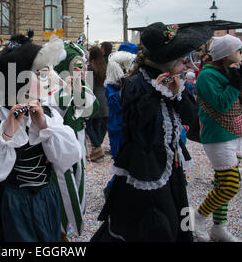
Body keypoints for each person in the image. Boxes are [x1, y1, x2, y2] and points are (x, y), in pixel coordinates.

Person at [92, 22, 212, 242]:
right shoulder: (136, 83)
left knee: (178, 216)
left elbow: (189, 116)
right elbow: (137, 123)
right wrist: (157, 92)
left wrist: (176, 94)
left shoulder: (176, 82)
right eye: (179, 59)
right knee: (152, 223)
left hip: (171, 163)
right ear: (165, 60)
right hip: (144, 166)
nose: (184, 63)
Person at [0, 36, 82, 242]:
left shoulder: (47, 113)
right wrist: (6, 135)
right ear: (20, 78)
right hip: (9, 205)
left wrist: (44, 127)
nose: (53, 80)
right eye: (43, 75)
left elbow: (69, 157)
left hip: (46, 199)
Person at [193, 35, 242, 242]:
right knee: (230, 185)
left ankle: (219, 227)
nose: (241, 54)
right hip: (218, 134)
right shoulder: (207, 76)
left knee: (222, 185)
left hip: (237, 132)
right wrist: (234, 83)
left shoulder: (231, 69)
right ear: (225, 54)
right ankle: (198, 217)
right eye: (238, 50)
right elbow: (221, 104)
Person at [53, 40, 99, 240]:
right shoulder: (51, 83)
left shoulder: (82, 83)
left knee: (78, 177)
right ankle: (59, 226)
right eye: (76, 64)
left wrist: (78, 88)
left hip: (77, 139)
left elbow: (90, 109)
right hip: (58, 144)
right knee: (62, 183)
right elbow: (53, 109)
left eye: (82, 65)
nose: (81, 68)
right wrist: (66, 90)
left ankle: (69, 224)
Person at [104, 50, 137, 197]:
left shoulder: (116, 86)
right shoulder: (115, 88)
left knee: (125, 164)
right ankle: (112, 190)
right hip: (119, 129)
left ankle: (115, 190)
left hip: (119, 128)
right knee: (122, 164)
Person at [85, 46, 108, 161]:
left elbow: (89, 87)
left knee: (88, 126)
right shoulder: (103, 66)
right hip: (103, 98)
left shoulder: (90, 68)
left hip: (94, 98)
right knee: (97, 125)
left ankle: (98, 148)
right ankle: (97, 150)